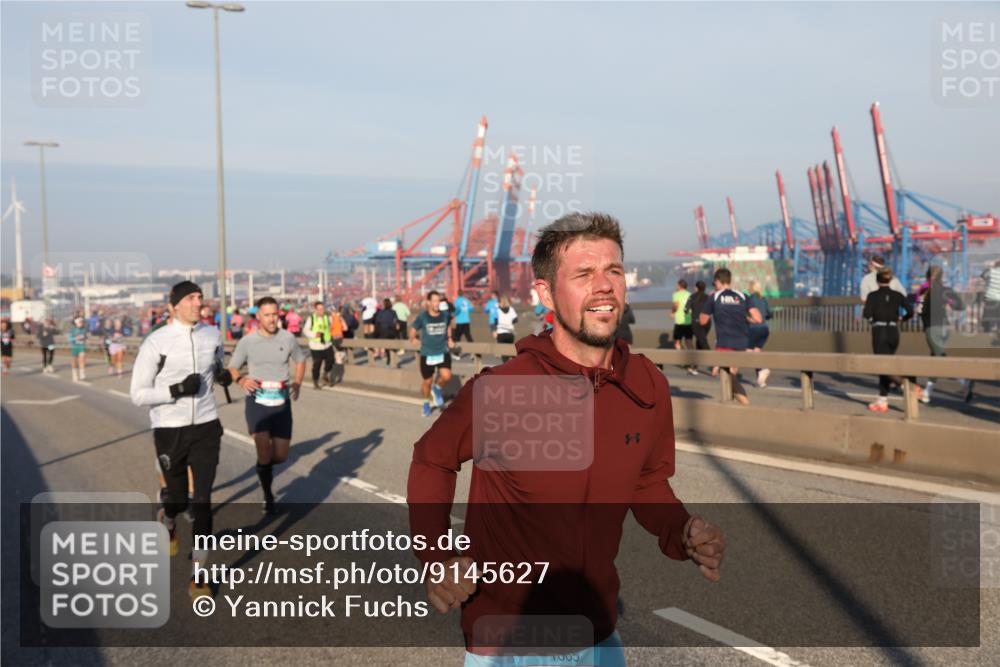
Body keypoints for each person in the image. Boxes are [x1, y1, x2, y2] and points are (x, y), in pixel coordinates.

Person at [408, 212, 725, 666]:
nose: (604, 286)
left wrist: (681, 530)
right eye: (584, 274)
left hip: (599, 638)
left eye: (613, 271)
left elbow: (647, 483)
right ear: (545, 294)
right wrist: (437, 557)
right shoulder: (502, 388)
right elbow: (430, 460)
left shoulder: (647, 384)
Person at [129, 280, 232, 599]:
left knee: (202, 501)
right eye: (190, 298)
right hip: (170, 429)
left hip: (205, 426)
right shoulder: (156, 343)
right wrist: (175, 391)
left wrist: (222, 375)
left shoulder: (212, 336)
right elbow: (138, 394)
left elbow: (215, 367)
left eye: (199, 297)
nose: (198, 302)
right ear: (174, 306)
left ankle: (199, 576)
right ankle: (168, 517)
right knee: (178, 498)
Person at [227, 297, 307, 514]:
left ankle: (265, 468)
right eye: (267, 315)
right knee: (263, 451)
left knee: (280, 456)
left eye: (275, 314)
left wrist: (298, 382)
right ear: (258, 317)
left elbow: (300, 359)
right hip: (257, 402)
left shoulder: (288, 338)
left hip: (281, 403)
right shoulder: (248, 341)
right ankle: (267, 493)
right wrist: (242, 380)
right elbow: (232, 367)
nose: (272, 319)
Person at [699, 268, 763, 405]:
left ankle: (747, 406)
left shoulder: (714, 297)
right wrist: (746, 319)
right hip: (742, 343)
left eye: (714, 282)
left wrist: (709, 316)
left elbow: (703, 320)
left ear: (717, 281)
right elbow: (758, 318)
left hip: (724, 343)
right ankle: (732, 406)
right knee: (729, 376)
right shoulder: (742, 295)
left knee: (727, 376)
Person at [863, 268, 919, 413]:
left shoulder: (872, 295)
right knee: (886, 365)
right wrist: (902, 318)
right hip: (894, 332)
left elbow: (866, 314)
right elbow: (911, 311)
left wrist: (873, 320)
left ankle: (905, 385)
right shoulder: (898, 295)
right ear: (890, 279)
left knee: (882, 366)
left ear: (877, 280)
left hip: (880, 331)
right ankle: (882, 401)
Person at [918, 266, 972, 404]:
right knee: (936, 359)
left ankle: (964, 381)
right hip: (944, 328)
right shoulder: (945, 290)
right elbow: (961, 306)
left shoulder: (923, 289)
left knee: (940, 358)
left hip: (932, 328)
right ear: (941, 276)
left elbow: (919, 310)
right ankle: (927, 393)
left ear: (927, 275)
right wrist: (949, 303)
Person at [410, 290, 454, 417]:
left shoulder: (445, 315)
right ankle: (425, 404)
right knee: (427, 382)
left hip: (442, 350)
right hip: (427, 353)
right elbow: (413, 329)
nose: (437, 303)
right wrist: (413, 338)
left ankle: (437, 389)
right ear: (428, 302)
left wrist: (450, 338)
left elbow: (449, 325)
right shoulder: (423, 317)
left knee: (447, 376)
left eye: (438, 300)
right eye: (434, 300)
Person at [745, 280, 773, 388]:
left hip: (754, 329)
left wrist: (746, 318)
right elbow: (770, 314)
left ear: (751, 288)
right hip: (765, 329)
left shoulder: (750, 299)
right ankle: (761, 380)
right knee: (756, 352)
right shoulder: (763, 299)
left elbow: (746, 313)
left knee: (748, 352)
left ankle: (763, 369)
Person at [303, 301, 335, 390]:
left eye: (322, 309)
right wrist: (314, 334)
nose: (321, 311)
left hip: (327, 344)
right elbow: (305, 330)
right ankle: (315, 382)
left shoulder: (327, 318)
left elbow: (332, 326)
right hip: (315, 346)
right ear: (315, 310)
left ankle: (325, 374)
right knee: (317, 364)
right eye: (319, 309)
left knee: (331, 360)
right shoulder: (311, 319)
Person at [671, 279, 696, 375]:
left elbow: (675, 306)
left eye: (677, 285)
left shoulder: (676, 294)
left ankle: (684, 359)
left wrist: (672, 312)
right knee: (689, 341)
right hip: (689, 321)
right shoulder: (690, 294)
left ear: (680, 286)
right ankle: (692, 359)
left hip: (679, 321)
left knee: (677, 342)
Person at [686, 280, 712, 355]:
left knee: (703, 342)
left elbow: (686, 310)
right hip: (707, 323)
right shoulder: (708, 297)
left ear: (696, 288)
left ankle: (715, 362)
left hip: (696, 323)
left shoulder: (692, 297)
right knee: (700, 340)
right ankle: (695, 364)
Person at [374, 297, 400, 367]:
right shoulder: (393, 312)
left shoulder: (380, 313)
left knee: (386, 347)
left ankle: (388, 362)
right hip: (391, 333)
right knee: (391, 346)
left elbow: (377, 324)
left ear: (384, 304)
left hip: (383, 333)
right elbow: (396, 324)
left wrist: (376, 335)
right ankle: (391, 361)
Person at [495, 294, 518, 362]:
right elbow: (516, 320)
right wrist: (509, 322)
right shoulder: (511, 309)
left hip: (501, 333)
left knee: (504, 354)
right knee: (510, 351)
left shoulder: (497, 310)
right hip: (510, 333)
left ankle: (506, 368)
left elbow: (495, 321)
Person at [982, 259, 1000, 333]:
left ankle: (986, 336)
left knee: (988, 320)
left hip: (990, 298)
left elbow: (982, 275)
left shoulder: (991, 272)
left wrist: (991, 266)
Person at [68, 316, 89, 382]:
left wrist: (87, 340)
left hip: (81, 346)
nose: (81, 323)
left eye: (82, 322)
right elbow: (69, 339)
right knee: (74, 362)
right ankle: (75, 374)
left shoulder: (84, 329)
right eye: (80, 322)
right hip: (74, 347)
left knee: (82, 359)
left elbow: (86, 337)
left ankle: (82, 374)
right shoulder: (72, 330)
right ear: (76, 323)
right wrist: (75, 338)